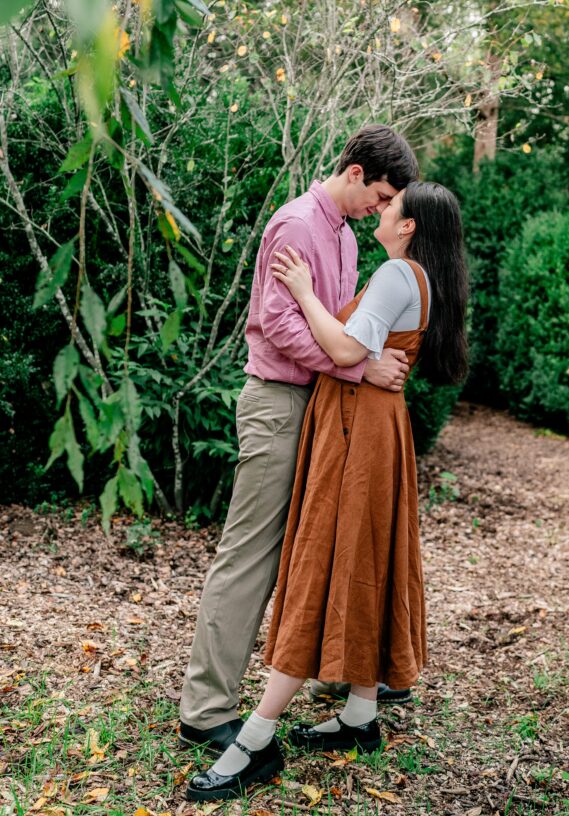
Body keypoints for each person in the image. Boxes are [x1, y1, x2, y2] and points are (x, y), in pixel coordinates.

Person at [186, 181, 469, 801]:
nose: (382, 209)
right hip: (370, 426)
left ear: (410, 224)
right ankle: (361, 716)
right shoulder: (414, 276)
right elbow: (358, 349)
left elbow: (344, 346)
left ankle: (253, 739)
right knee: (361, 556)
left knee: (327, 562)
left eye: (392, 204)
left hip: (359, 430)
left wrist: (307, 293)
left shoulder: (399, 275)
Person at [179, 125, 420, 755]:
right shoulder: (296, 225)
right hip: (278, 405)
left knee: (313, 550)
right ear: (355, 171)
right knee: (250, 553)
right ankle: (205, 709)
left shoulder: (341, 232)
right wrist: (356, 367)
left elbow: (340, 322)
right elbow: (280, 324)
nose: (383, 208)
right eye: (383, 194)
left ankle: (333, 676)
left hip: (316, 406)